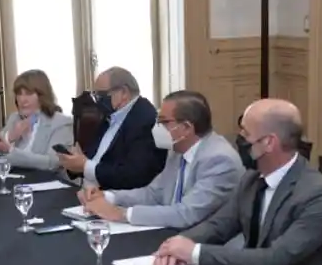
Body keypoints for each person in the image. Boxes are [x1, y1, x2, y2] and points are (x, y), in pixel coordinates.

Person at [151, 98, 322, 265]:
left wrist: (195, 253)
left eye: (245, 133)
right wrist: (178, 243)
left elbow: (274, 259)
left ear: (268, 142)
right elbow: (220, 225)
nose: (238, 140)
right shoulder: (252, 178)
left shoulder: (318, 195)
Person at [78, 90, 243, 230]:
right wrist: (107, 197)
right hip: (170, 233)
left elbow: (186, 214)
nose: (156, 127)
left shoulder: (220, 160)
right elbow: (153, 193)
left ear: (186, 127)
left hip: (200, 242)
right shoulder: (178, 150)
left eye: (163, 122)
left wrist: (121, 213)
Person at [56, 67, 164, 191]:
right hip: (87, 194)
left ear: (123, 92)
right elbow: (94, 159)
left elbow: (134, 176)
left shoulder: (145, 120)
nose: (97, 101)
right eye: (95, 95)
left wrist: (85, 166)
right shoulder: (110, 116)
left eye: (101, 95)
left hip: (116, 199)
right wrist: (75, 162)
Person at [0, 69, 74, 172]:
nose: (23, 100)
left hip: (46, 183)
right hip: (16, 181)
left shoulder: (61, 122)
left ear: (42, 96)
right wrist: (10, 137)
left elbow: (52, 162)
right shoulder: (15, 118)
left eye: (28, 94)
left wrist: (10, 150)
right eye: (19, 94)